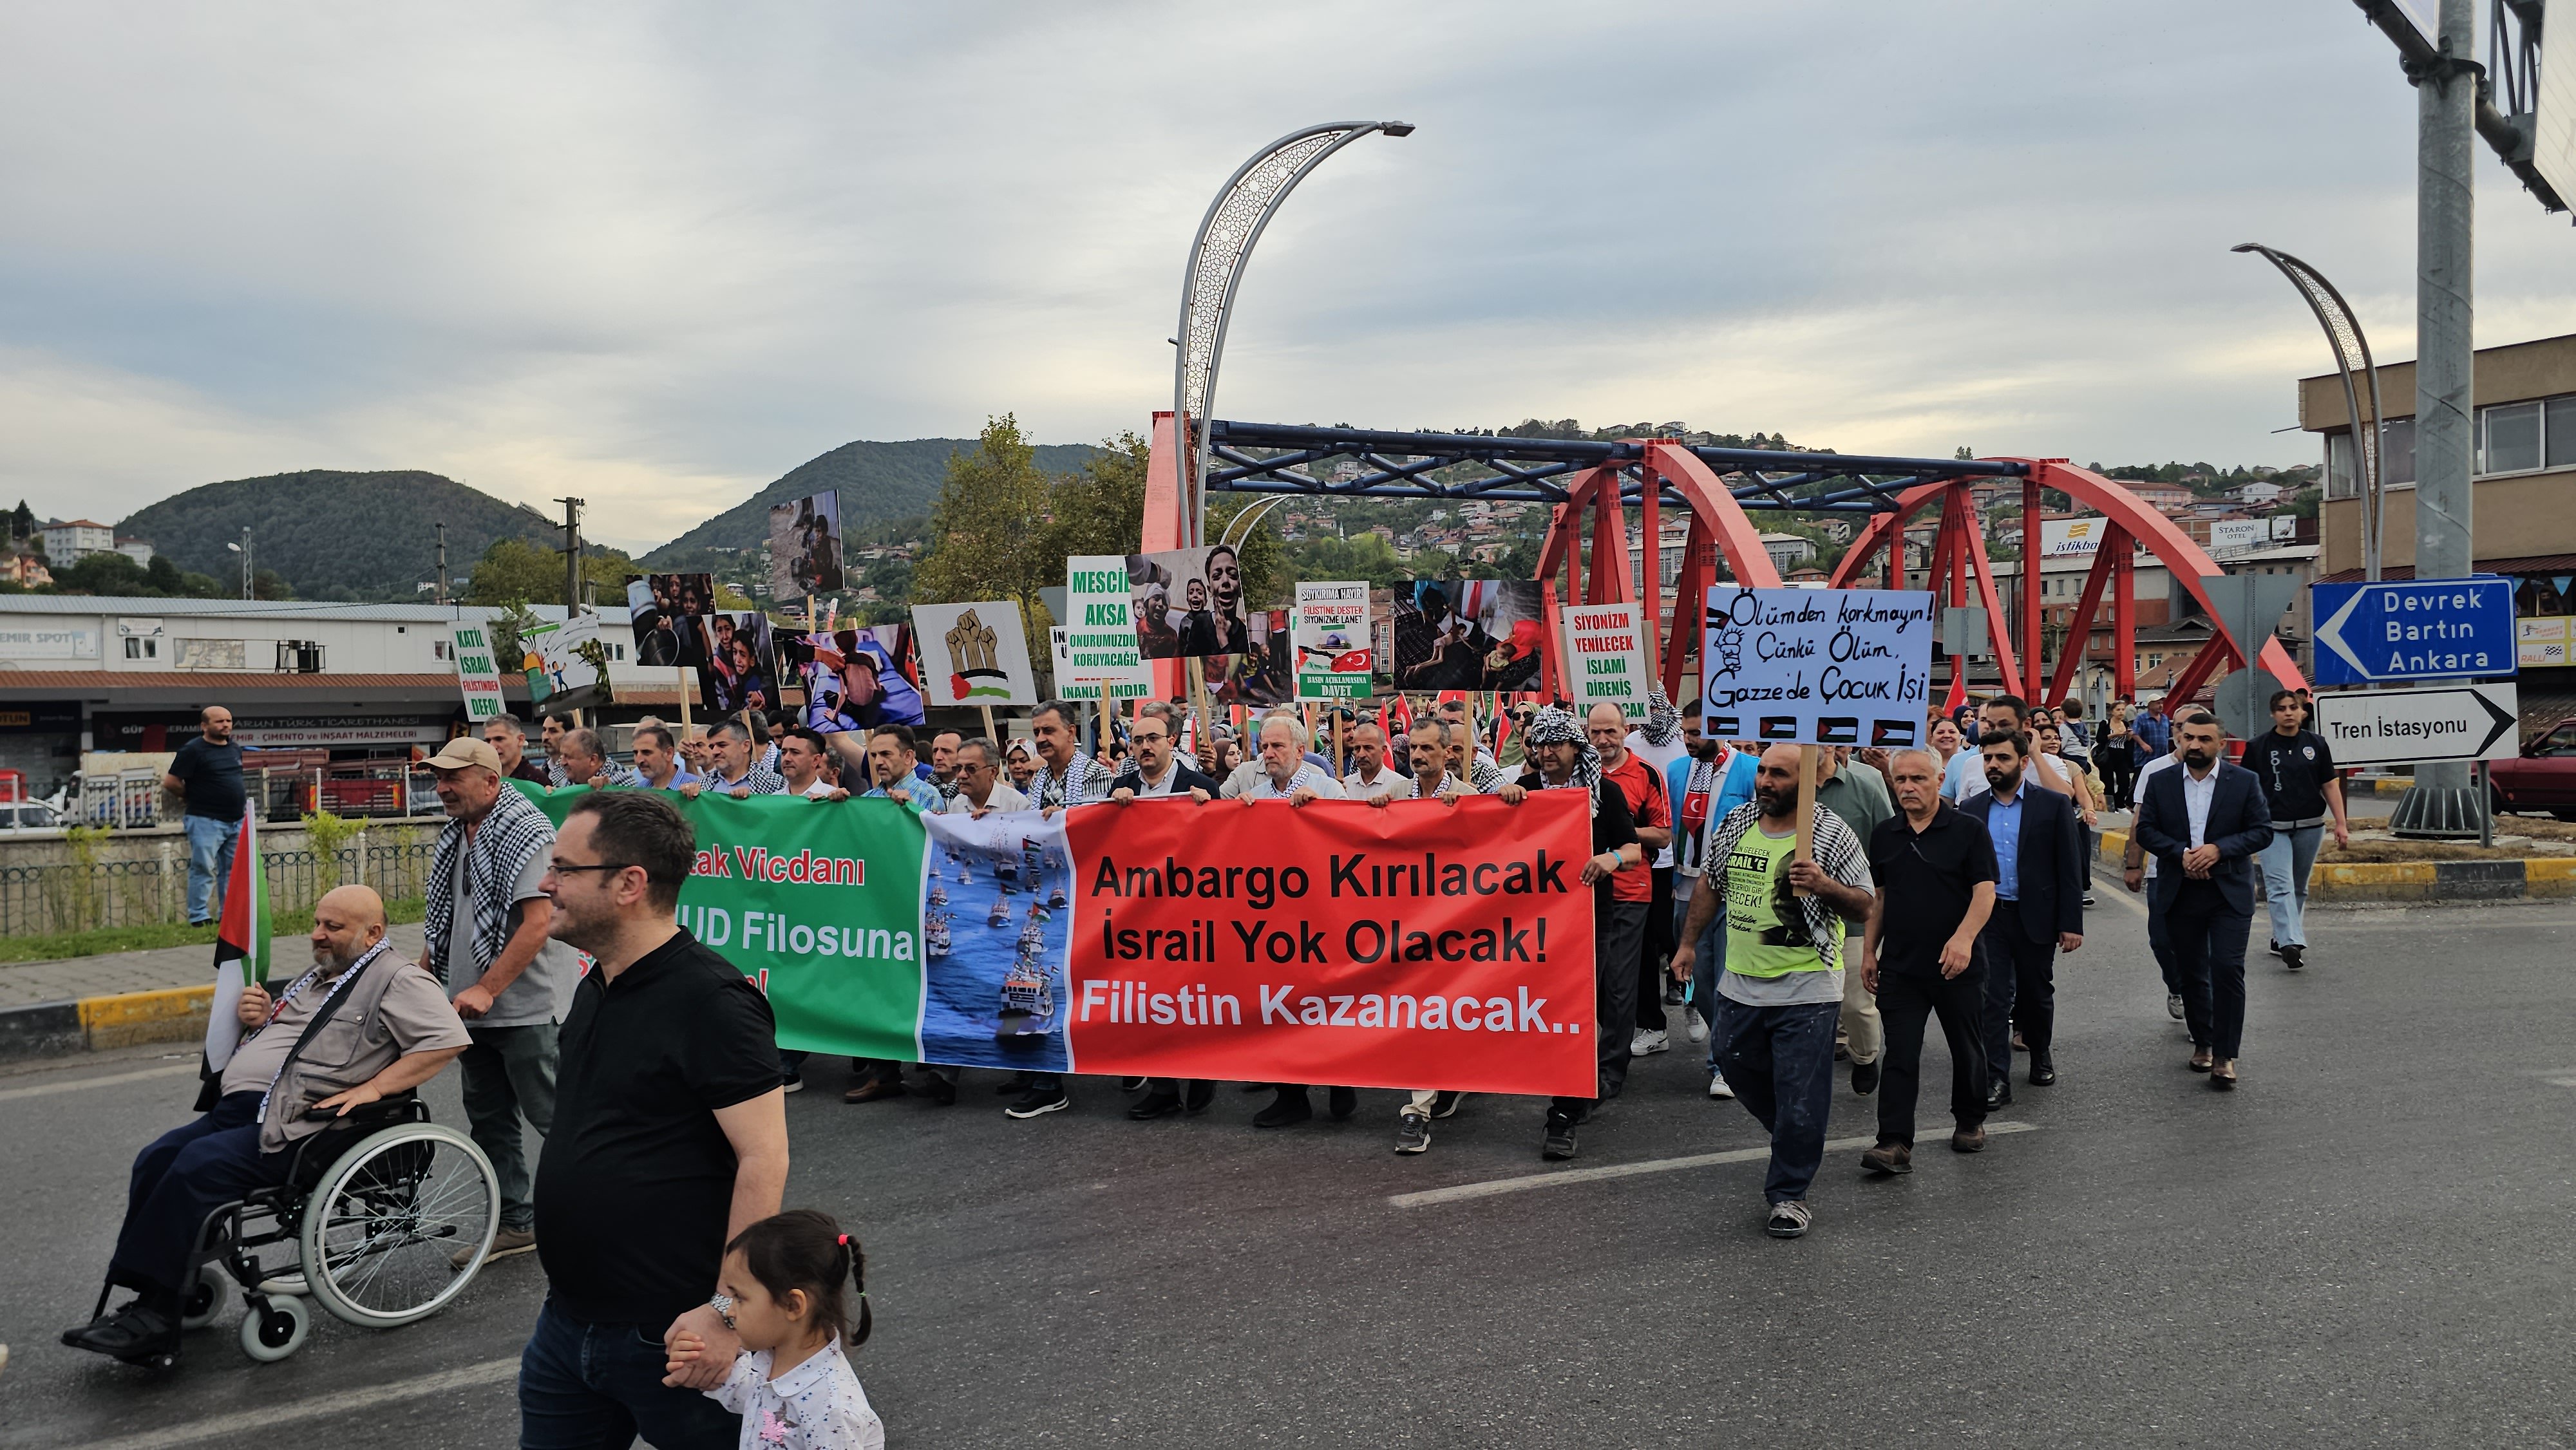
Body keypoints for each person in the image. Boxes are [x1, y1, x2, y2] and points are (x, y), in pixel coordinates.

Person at [61, 885, 468, 1364]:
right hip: (246, 1108)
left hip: (306, 1123)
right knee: (156, 1158)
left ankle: (156, 1318)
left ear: (373, 932)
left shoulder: (397, 979)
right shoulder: (322, 976)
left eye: (332, 927)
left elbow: (446, 1039)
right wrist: (259, 1021)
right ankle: (155, 1287)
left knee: (197, 1167)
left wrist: (373, 1089)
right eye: (317, 923)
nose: (318, 934)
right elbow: (300, 1040)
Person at [522, 790, 788, 1450]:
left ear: (629, 883)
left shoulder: (713, 1000)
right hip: (567, 1325)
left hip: (674, 1333)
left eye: (563, 867)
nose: (545, 883)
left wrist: (727, 1312)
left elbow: (764, 1158)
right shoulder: (598, 982)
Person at [1670, 744, 1875, 1239]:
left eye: (1778, 774)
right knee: (1735, 1065)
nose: (1764, 781)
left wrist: (1824, 885)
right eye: (1761, 771)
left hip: (1807, 988)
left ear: (1804, 782)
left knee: (1801, 1095)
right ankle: (1795, 1134)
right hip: (1740, 983)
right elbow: (1710, 886)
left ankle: (1788, 1193)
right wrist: (1689, 944)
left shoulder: (1827, 831)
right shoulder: (1739, 822)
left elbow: (1865, 905)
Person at [421, 736, 580, 1265]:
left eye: (453, 778)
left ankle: (607, 1212)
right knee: (488, 1120)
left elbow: (538, 926)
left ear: (490, 782)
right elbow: (445, 916)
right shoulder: (459, 832)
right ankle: (515, 1223)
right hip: (470, 1011)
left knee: (557, 1120)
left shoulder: (526, 831)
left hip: (525, 1008)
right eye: (439, 779)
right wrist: (423, 975)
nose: (442, 788)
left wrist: (487, 988)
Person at [1506, 707, 1641, 1162]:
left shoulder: (1603, 792)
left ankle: (1562, 1116)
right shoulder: (1524, 790)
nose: (1546, 752)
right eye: (1539, 744)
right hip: (1529, 923)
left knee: (1576, 1012)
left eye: (1555, 744)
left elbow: (1634, 849)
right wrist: (1501, 800)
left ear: (1576, 748)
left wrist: (1612, 860)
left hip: (1587, 918)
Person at [1859, 750, 1997, 1174]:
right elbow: (1878, 897)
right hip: (1902, 966)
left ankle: (1970, 1119)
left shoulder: (1968, 829)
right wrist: (1869, 951)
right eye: (1900, 779)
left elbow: (1985, 891)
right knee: (1901, 1053)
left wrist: (1964, 939)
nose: (1907, 787)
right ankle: (1894, 1142)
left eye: (1918, 778)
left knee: (1967, 1048)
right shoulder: (1885, 834)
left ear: (1940, 779)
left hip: (1958, 965)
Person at [666, 1209, 886, 1450]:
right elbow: (749, 1395)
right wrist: (700, 1360)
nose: (729, 1310)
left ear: (792, 1305)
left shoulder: (832, 1411)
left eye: (740, 1297)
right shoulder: (775, 1358)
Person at [2134, 713, 2273, 1090]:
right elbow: (2145, 830)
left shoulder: (2244, 782)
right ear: (2179, 738)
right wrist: (2180, 854)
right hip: (2180, 890)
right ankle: (2204, 1042)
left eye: (2204, 739)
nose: (2195, 745)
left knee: (2227, 969)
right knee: (2192, 971)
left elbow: (2261, 832)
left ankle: (2226, 1055)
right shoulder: (2161, 782)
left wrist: (2219, 850)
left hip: (2228, 891)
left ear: (2221, 744)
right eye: (2189, 737)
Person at [1106, 704, 1222, 1121]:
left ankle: (1201, 1070)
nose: (1144, 746)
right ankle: (1163, 1087)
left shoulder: (1200, 784)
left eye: (1152, 738)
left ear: (1171, 742)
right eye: (1137, 740)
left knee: (1192, 999)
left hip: (1191, 912)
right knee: (1151, 1003)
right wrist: (1111, 811)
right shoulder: (1121, 788)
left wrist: (1209, 808)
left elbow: (1225, 845)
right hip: (1140, 916)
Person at [1960, 730, 2085, 1108]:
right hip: (1990, 919)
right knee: (1992, 998)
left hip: (2037, 916)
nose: (1993, 765)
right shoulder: (1971, 810)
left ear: (2024, 762)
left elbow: (2069, 866)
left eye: (2002, 758)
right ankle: (1997, 1076)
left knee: (2035, 993)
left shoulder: (2052, 806)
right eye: (1988, 759)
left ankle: (2040, 1052)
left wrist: (2071, 923)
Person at [1671, 713, 1757, 1098]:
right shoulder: (1676, 771)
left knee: (1727, 978)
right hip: (1685, 888)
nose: (1688, 739)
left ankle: (1724, 1063)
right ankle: (1721, 1039)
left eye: (1696, 733)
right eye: (1685, 732)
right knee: (1698, 978)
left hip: (1732, 891)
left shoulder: (1751, 769)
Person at [1582, 704, 1672, 1062]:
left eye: (1610, 732)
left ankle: (1611, 1067)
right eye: (1595, 733)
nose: (1603, 740)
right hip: (1582, 891)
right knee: (1592, 982)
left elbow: (1663, 835)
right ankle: (1596, 1051)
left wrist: (1616, 830)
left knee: (1619, 979)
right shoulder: (1578, 772)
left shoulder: (1646, 774)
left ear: (1625, 729)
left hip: (1629, 889)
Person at [1807, 746, 1895, 1095]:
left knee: (1857, 1004)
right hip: (1800, 917)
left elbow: (1888, 845)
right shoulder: (1790, 786)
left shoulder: (1865, 786)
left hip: (1857, 915)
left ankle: (1864, 1056)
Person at [2246, 688, 2350, 971]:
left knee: (2299, 887)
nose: (2288, 713)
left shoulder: (2316, 744)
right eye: (2282, 709)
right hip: (2272, 828)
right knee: (2280, 885)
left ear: (2303, 712)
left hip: (2310, 826)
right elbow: (2246, 789)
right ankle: (2291, 942)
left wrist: (2341, 823)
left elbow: (2330, 784)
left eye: (2294, 707)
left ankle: (2281, 937)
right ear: (2273, 713)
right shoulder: (2258, 747)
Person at [2123, 710, 2204, 1023]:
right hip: (2164, 872)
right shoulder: (2155, 771)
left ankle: (2203, 1015)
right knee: (2162, 939)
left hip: (2208, 874)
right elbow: (2141, 821)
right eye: (2181, 727)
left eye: (2196, 729)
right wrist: (2134, 864)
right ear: (2175, 732)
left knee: (2204, 946)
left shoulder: (2225, 774)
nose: (2188, 734)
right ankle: (2177, 986)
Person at [163, 706, 243, 927]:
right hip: (206, 820)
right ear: (204, 726)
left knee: (231, 872)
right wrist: (189, 795)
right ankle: (199, 917)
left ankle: (227, 916)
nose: (226, 725)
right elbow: (171, 782)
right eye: (219, 721)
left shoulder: (234, 748)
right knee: (204, 868)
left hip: (236, 820)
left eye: (228, 720)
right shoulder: (193, 750)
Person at [2037, 720, 2103, 907]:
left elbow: (2081, 793)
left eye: (2056, 738)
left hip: (2070, 816)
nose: (2053, 742)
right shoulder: (2028, 765)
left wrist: (2089, 810)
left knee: (2076, 852)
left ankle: (2078, 890)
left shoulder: (2071, 766)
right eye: (2047, 738)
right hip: (2042, 819)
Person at [684, 719, 788, 799]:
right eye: (712, 747)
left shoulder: (774, 784)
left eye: (722, 745)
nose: (715, 752)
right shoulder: (701, 787)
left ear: (745, 746)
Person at [939, 738, 1028, 816]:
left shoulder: (1017, 805)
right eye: (958, 768)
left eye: (971, 769)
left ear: (993, 772)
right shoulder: (957, 804)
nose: (961, 775)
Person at [777, 728, 850, 802]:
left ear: (816, 760)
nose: (787, 758)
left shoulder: (832, 798)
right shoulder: (774, 800)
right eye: (783, 753)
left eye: (795, 753)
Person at [559, 728, 641, 791]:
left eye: (568, 757)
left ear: (593, 760)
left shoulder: (621, 786)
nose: (562, 763)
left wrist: (604, 792)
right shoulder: (570, 781)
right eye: (562, 756)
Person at [486, 713, 553, 788]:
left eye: (499, 739)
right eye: (488, 741)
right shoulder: (483, 779)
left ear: (520, 740)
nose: (492, 746)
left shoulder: (537, 780)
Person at [1340, 719, 1402, 800]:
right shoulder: (1345, 785)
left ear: (1383, 750)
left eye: (1368, 748)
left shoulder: (1400, 786)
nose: (1361, 754)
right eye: (1357, 748)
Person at [631, 724, 703, 793]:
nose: (639, 760)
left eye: (646, 752)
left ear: (669, 753)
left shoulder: (698, 788)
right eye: (635, 753)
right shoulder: (640, 790)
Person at [926, 730, 964, 801]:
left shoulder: (975, 792)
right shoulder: (920, 791)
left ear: (963, 754)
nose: (938, 757)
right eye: (935, 751)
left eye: (946, 751)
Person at [541, 712, 576, 787]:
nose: (545, 737)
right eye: (544, 730)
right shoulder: (543, 769)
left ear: (569, 734)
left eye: (553, 731)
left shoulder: (577, 770)